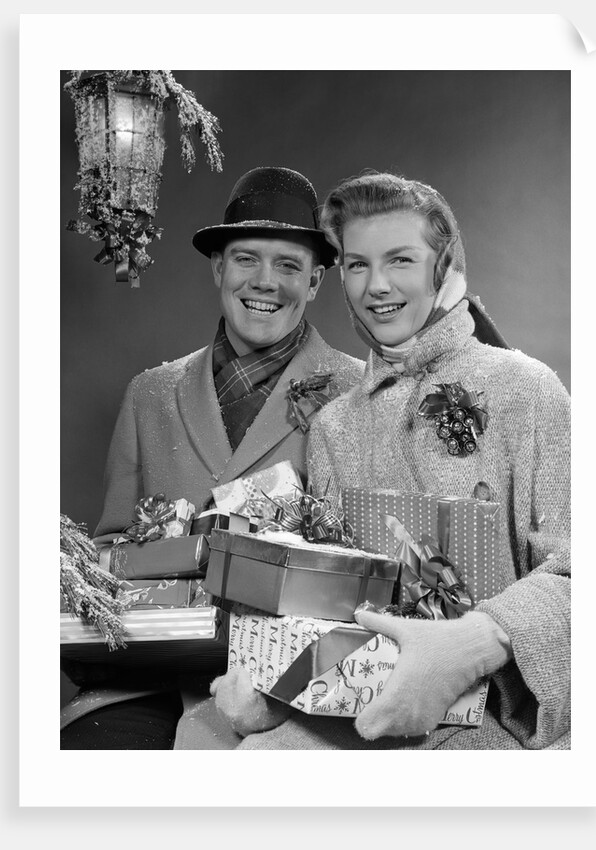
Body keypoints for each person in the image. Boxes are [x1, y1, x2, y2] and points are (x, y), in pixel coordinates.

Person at [211, 171, 570, 751]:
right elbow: (328, 598)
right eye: (357, 265)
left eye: (400, 260)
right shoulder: (333, 425)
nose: (376, 285)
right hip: (350, 716)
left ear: (444, 266)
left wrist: (470, 647)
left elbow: (592, 575)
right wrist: (274, 685)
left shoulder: (526, 390)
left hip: (493, 725)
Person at [60, 166, 366, 749]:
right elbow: (107, 557)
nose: (266, 281)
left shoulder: (358, 395)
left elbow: (365, 565)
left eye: (289, 265)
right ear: (218, 268)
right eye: (247, 258)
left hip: (291, 689)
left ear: (317, 281)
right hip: (148, 679)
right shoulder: (149, 393)